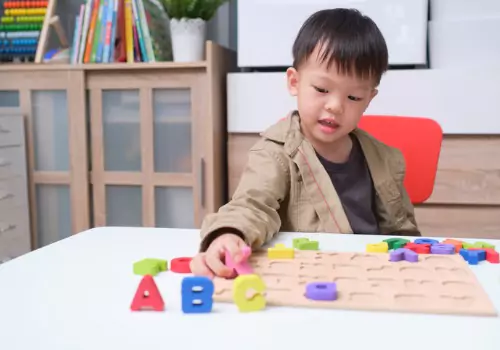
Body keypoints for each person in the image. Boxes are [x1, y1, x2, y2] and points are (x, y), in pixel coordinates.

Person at [190, 8, 420, 278]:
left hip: (372, 274)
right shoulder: (274, 153)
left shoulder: (384, 158)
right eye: (322, 90)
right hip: (310, 275)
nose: (335, 106)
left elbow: (403, 234)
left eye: (354, 98)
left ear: (369, 99)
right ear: (294, 82)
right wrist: (228, 234)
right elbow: (251, 205)